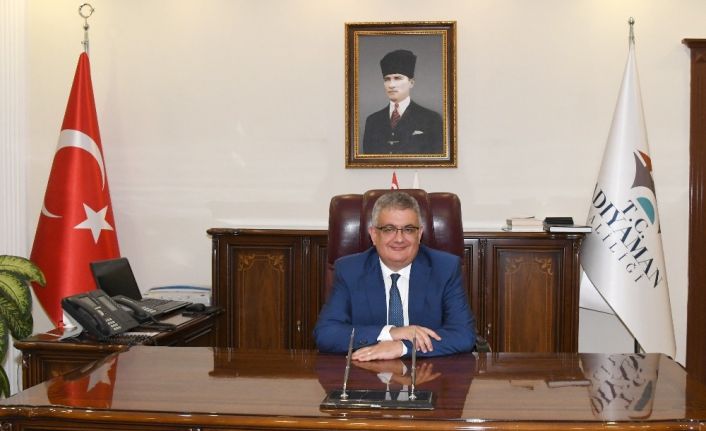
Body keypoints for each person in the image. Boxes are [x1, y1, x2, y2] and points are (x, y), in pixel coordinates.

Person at [313, 191, 476, 361]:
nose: (399, 239)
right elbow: (326, 334)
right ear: (374, 234)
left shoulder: (445, 269)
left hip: (427, 371)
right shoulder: (349, 270)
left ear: (419, 234)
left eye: (408, 229)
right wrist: (391, 333)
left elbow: (463, 335)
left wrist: (403, 347)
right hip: (365, 371)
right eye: (389, 229)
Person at [361, 49, 444, 155]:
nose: (391, 85)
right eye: (387, 79)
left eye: (397, 78)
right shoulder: (372, 121)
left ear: (411, 83)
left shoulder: (431, 119)